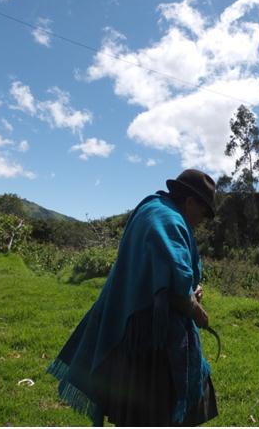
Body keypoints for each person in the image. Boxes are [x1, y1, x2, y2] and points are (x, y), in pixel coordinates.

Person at [46, 169, 218, 426]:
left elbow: (164, 271)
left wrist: (192, 289)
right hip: (152, 339)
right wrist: (199, 313)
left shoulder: (153, 209)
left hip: (130, 326)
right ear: (191, 202)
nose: (201, 221)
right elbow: (176, 288)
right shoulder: (169, 221)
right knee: (158, 413)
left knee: (135, 413)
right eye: (203, 213)